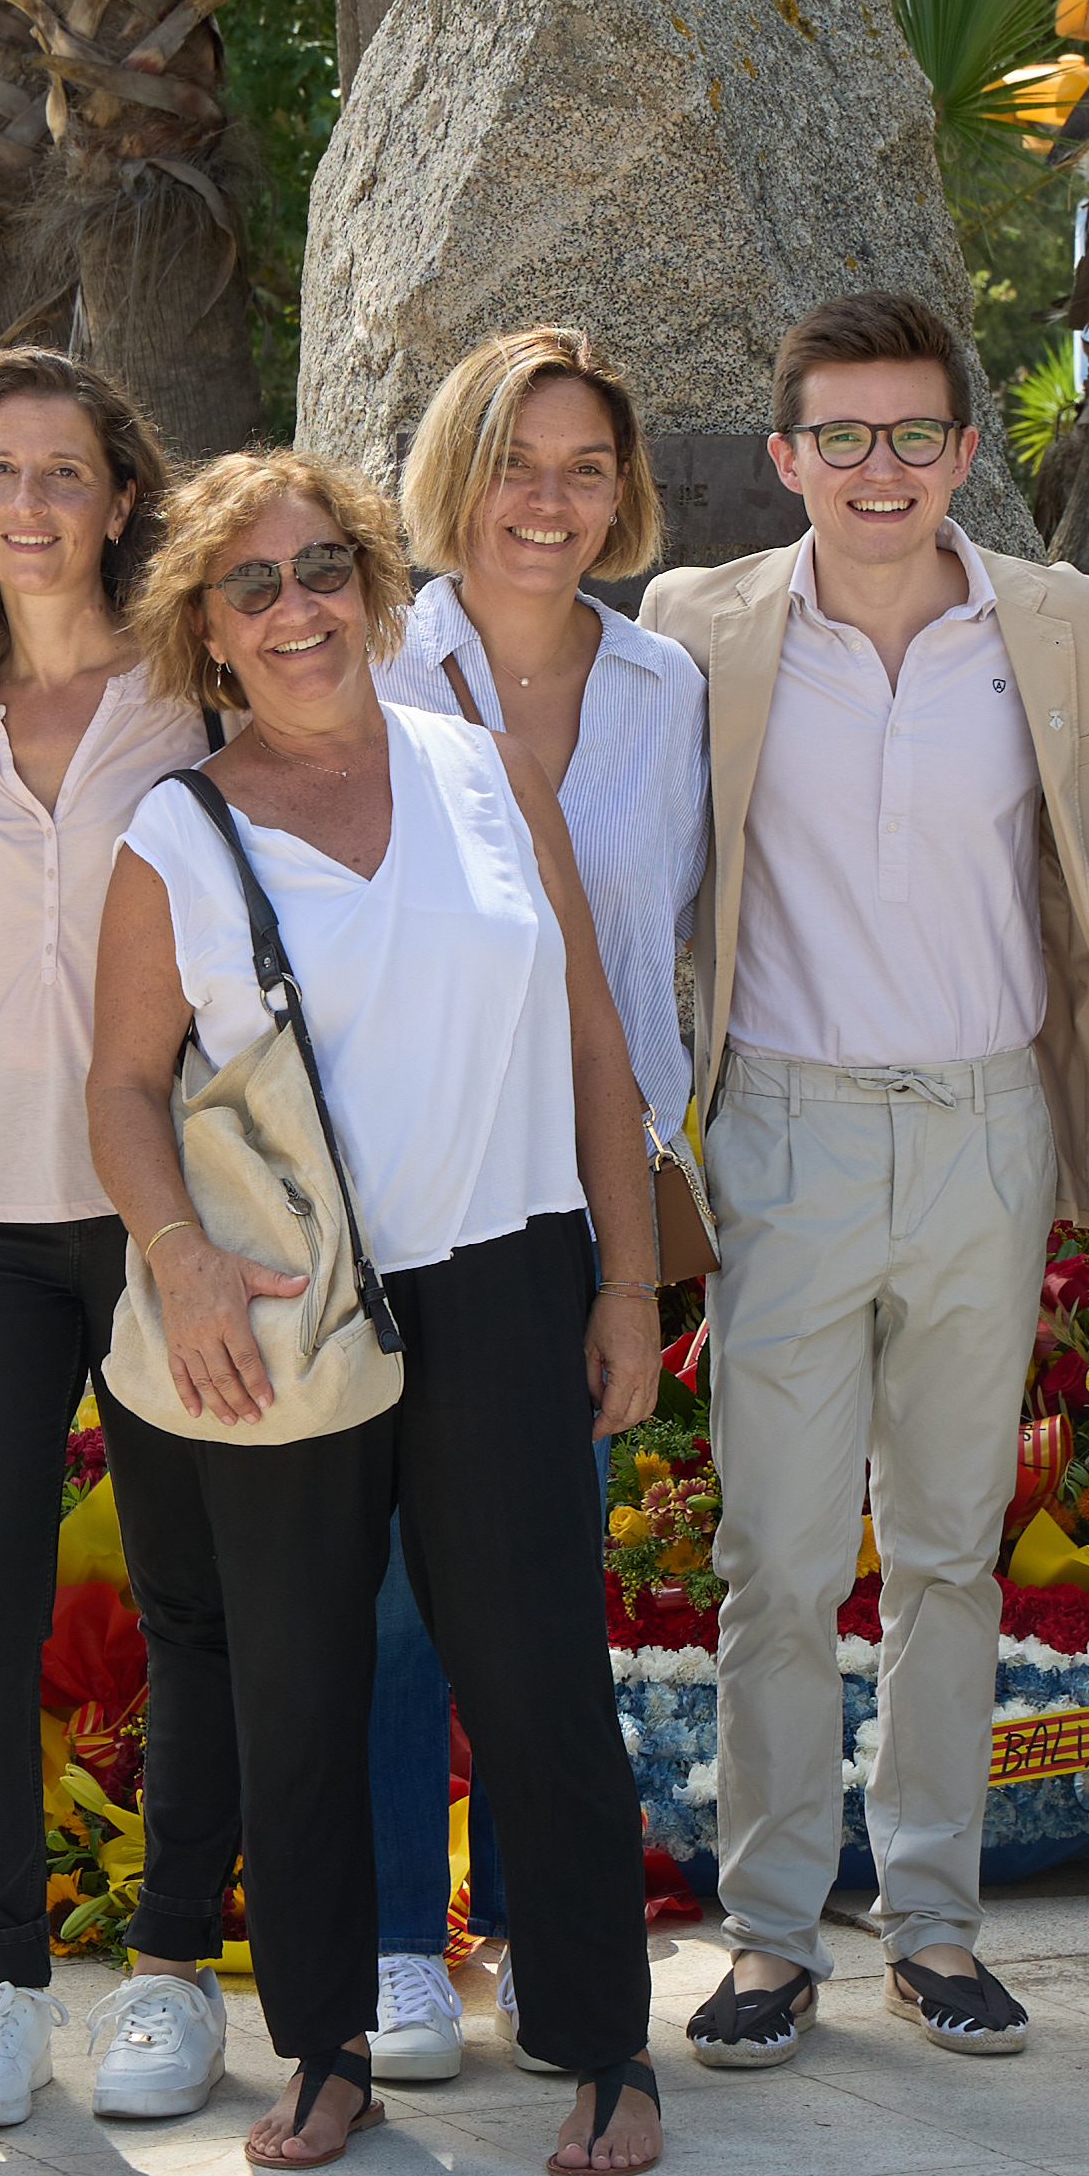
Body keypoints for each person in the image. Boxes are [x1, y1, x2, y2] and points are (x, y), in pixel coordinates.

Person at [86, 449, 669, 2176]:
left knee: (538, 1674)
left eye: (319, 567)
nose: (294, 608)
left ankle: (599, 2047)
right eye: (249, 584)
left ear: (371, 582)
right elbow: (120, 1088)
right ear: (204, 627)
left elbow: (589, 1047)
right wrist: (182, 1260)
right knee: (300, 1681)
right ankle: (323, 2046)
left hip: (502, 1273)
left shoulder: (482, 773)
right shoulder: (170, 835)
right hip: (286, 1309)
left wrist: (626, 1280)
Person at [636, 290, 1089, 2071]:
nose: (876, 468)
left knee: (945, 1548)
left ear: (963, 449)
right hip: (782, 1125)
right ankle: (768, 1936)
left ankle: (932, 1926)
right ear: (781, 457)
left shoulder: (1058, 623)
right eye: (836, 436)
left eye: (912, 433)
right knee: (771, 1554)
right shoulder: (695, 628)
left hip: (987, 1122)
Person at [0, 347, 242, 2132]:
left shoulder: (195, 696)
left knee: (189, 1593)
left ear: (116, 499)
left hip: (160, 1207)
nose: (28, 503)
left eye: (63, 471)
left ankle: (170, 1972)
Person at [364, 325, 703, 2078]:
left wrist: (636, 1250)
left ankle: (521, 1920)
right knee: (398, 1586)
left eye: (581, 468)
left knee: (540, 1575)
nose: (547, 502)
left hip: (579, 1198)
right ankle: (391, 1941)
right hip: (406, 1184)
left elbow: (660, 963)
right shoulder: (361, 663)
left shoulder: (665, 692)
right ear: (452, 475)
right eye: (513, 463)